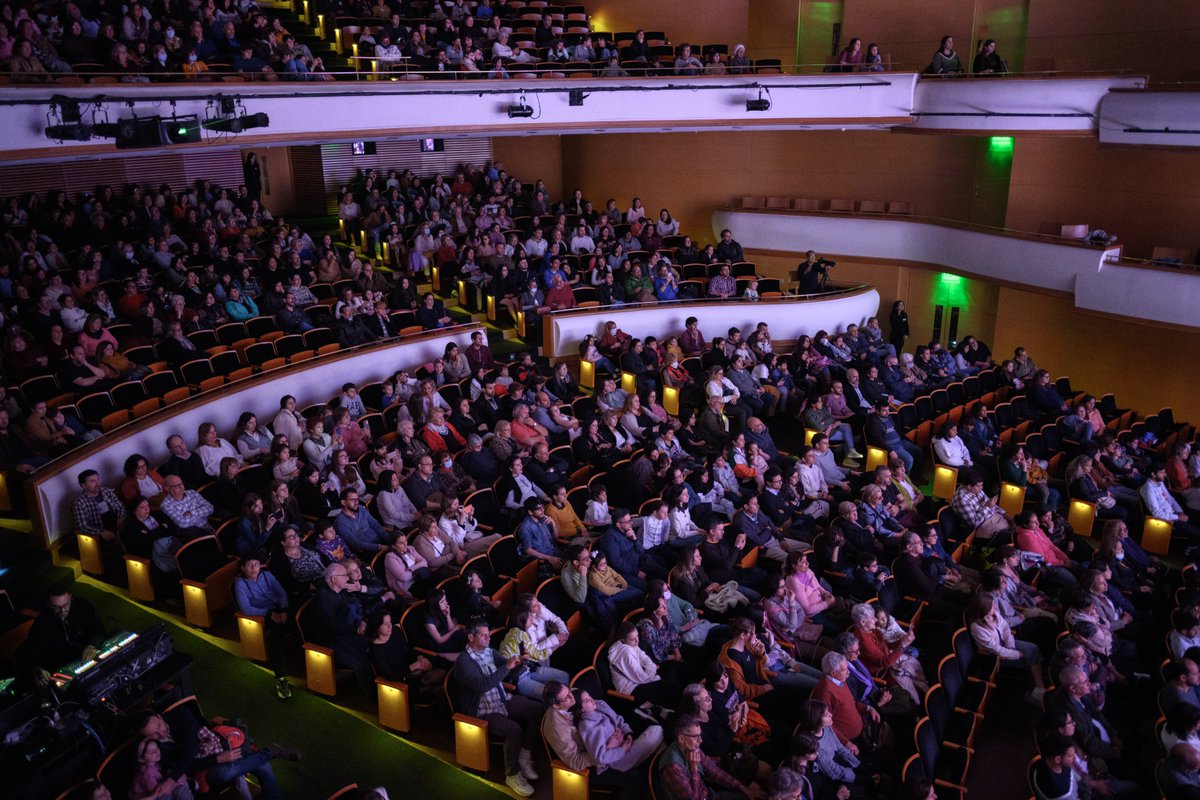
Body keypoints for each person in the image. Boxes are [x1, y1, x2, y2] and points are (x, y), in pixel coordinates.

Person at [453, 619, 545, 796]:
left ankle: (524, 755)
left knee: (537, 709)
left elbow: (509, 673)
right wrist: (507, 667)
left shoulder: (490, 652)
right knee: (514, 730)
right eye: (484, 635)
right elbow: (481, 685)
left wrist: (520, 663)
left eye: (489, 634)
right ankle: (512, 774)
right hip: (481, 710)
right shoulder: (463, 663)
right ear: (471, 637)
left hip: (501, 699)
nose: (489, 638)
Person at [133, 706, 297, 800]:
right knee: (227, 773)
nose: (160, 734)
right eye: (153, 734)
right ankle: (270, 751)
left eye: (159, 727)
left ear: (159, 717)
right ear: (146, 736)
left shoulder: (180, 715)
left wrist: (220, 755)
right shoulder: (154, 749)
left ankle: (269, 754)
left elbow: (192, 745)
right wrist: (217, 759)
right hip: (205, 769)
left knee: (264, 767)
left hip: (220, 746)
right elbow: (189, 765)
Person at [657, 714, 765, 800]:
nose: (700, 740)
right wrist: (693, 769)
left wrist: (742, 787)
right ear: (681, 738)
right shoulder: (672, 767)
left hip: (707, 794)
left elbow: (713, 771)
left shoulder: (691, 748)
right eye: (695, 737)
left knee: (749, 796)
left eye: (700, 735)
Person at [233, 556, 293, 700]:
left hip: (279, 608)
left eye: (256, 564)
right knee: (275, 637)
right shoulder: (240, 584)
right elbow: (246, 608)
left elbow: (281, 593)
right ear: (243, 568)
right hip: (264, 614)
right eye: (249, 565)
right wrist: (269, 614)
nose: (254, 568)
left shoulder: (267, 575)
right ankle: (281, 679)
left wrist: (284, 610)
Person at [25, 585, 105, 681]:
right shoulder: (41, 624)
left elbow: (98, 628)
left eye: (66, 605)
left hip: (86, 656)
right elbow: (34, 652)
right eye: (56, 607)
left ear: (71, 598)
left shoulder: (82, 606)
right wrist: (38, 668)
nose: (62, 610)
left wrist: (93, 644)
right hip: (62, 664)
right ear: (48, 604)